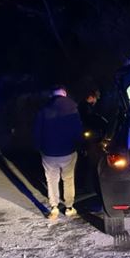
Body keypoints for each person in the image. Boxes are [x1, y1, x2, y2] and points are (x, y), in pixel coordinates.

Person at [33, 85, 83, 220]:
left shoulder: (43, 110)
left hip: (48, 153)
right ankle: (69, 207)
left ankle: (54, 208)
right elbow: (78, 130)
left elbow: (37, 131)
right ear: (64, 94)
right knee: (68, 179)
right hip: (68, 151)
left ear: (52, 95)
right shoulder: (72, 109)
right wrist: (79, 145)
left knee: (51, 180)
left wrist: (39, 147)